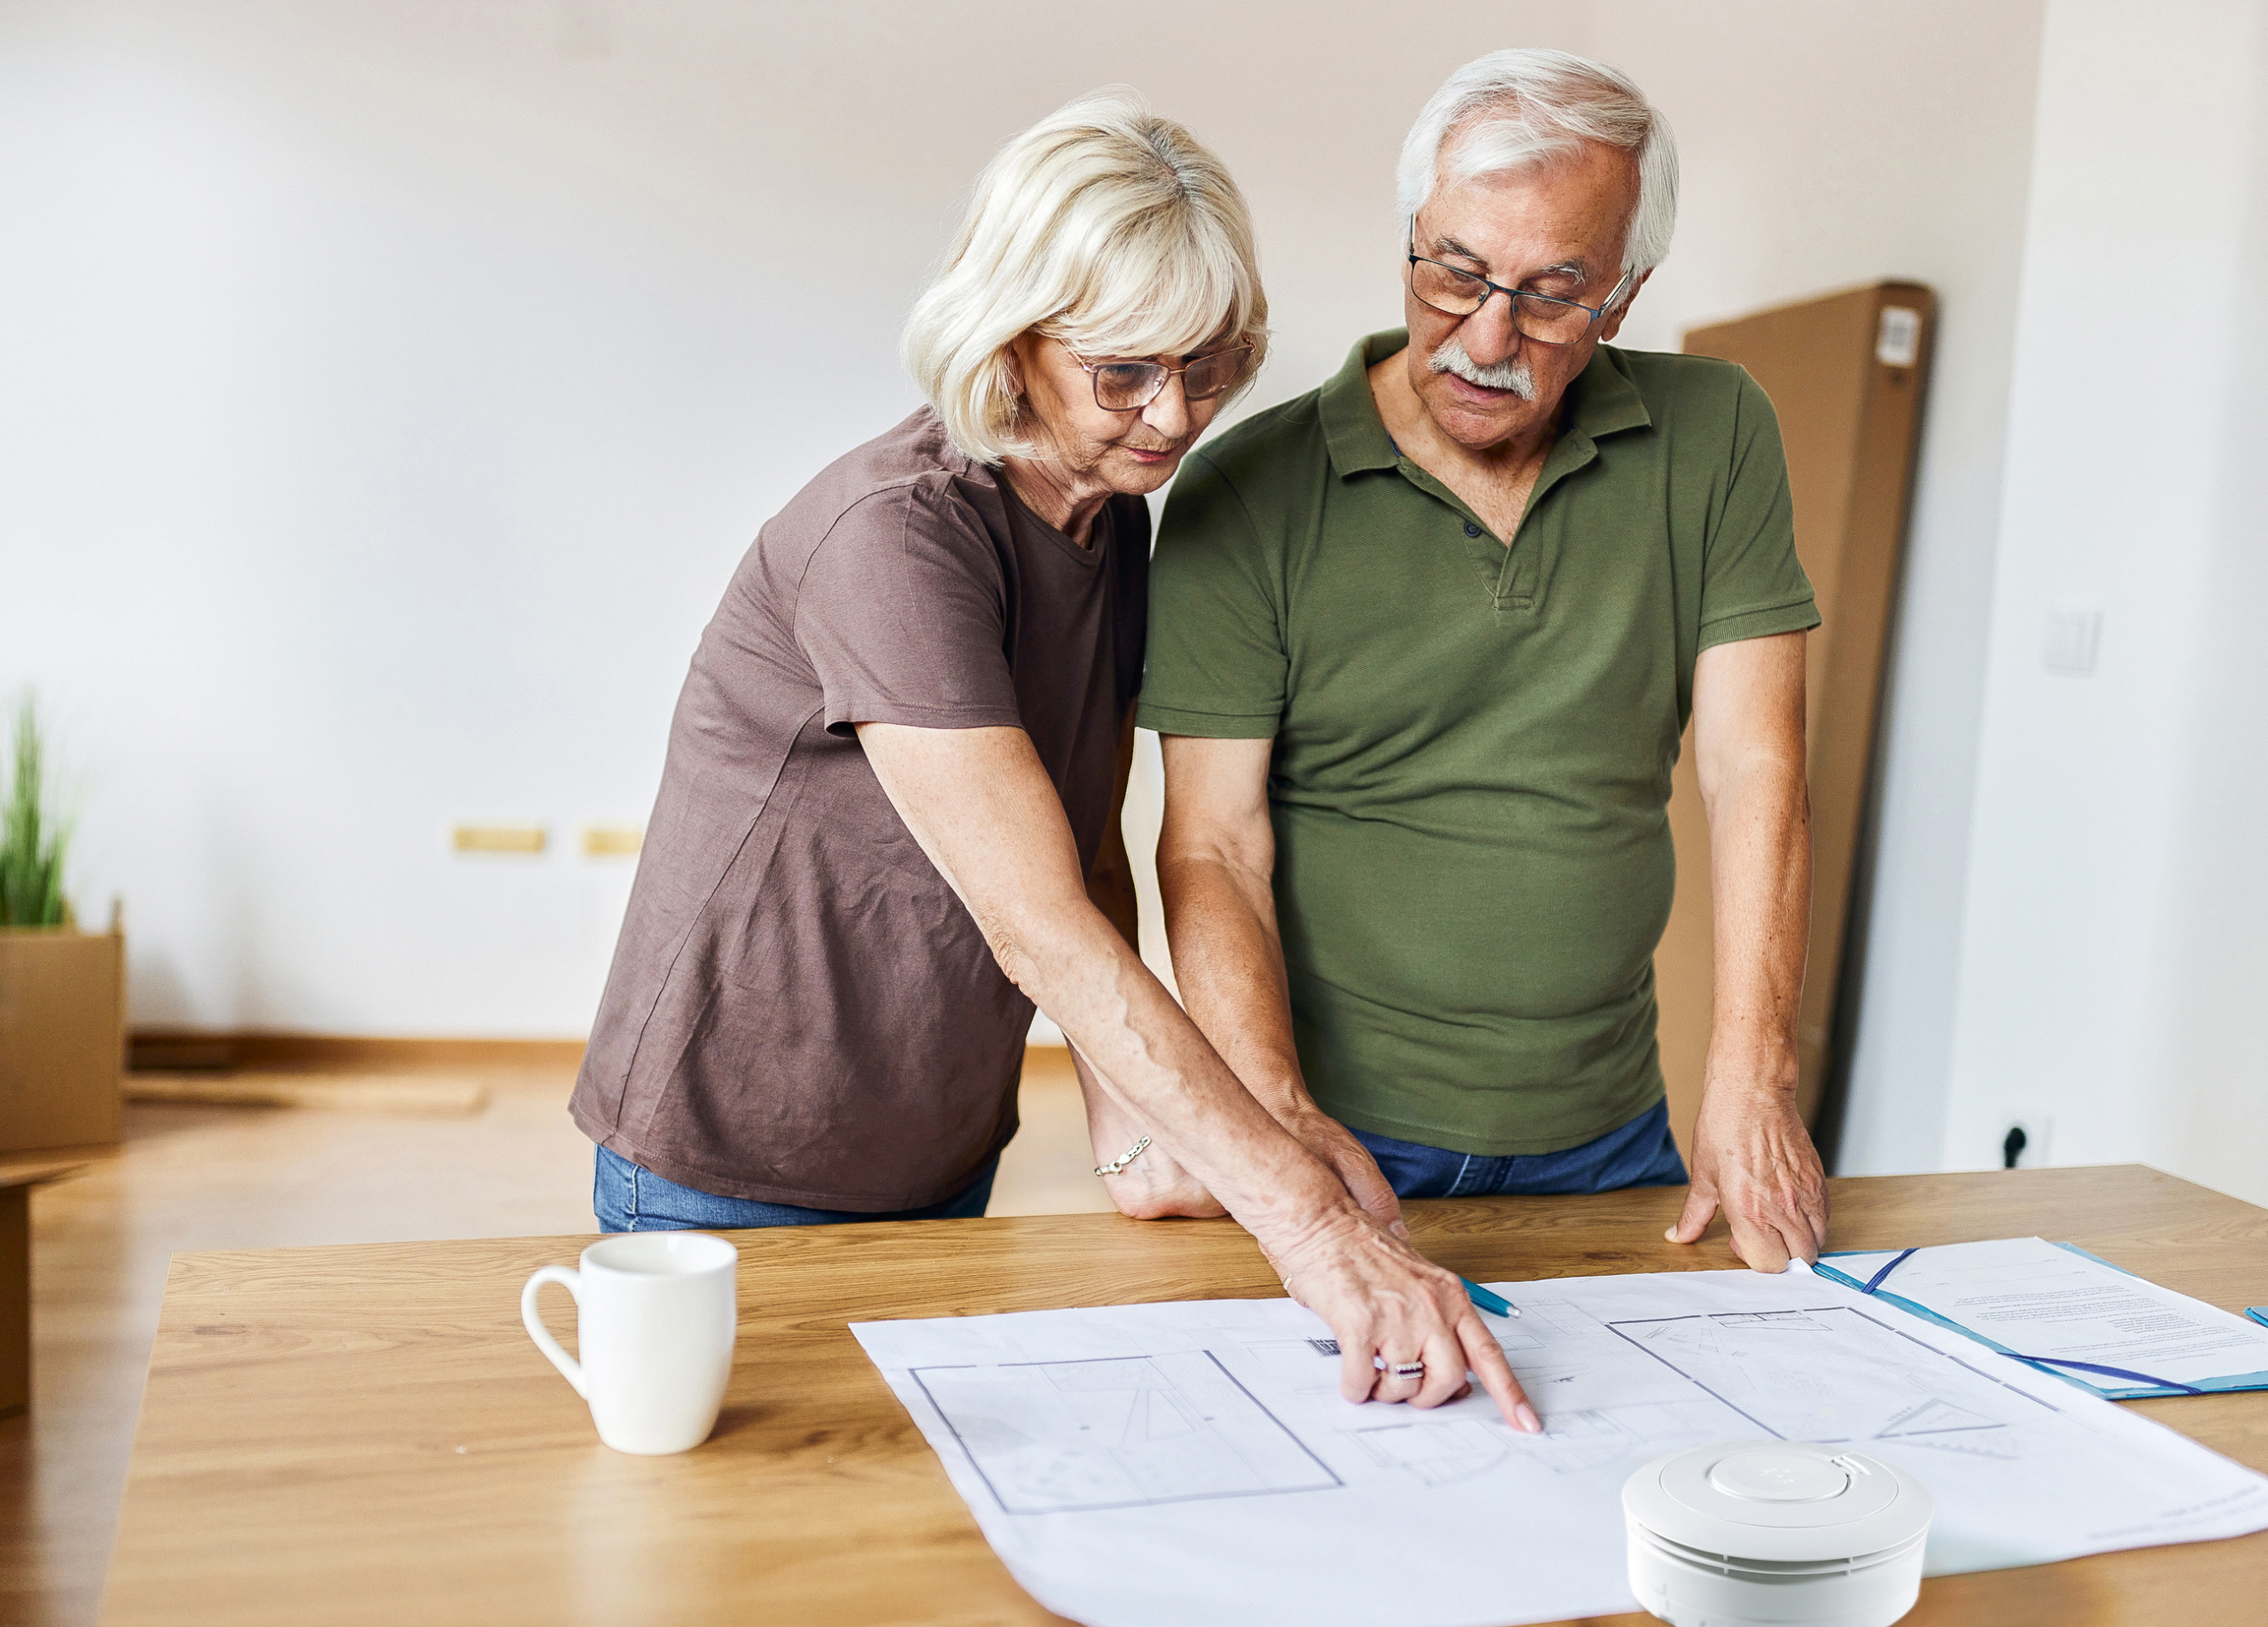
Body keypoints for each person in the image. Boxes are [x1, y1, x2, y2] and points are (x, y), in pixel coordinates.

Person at [570, 90, 1538, 1428]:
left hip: (936, 1124)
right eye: (1124, 371)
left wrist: (1129, 1132)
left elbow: (1084, 851)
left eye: (1207, 368)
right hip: (736, 1137)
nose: (1173, 416)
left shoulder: (1108, 525)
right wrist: (1308, 1225)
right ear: (1012, 340)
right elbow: (1041, 934)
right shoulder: (894, 537)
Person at [1138, 50, 1831, 1273]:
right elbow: (1210, 844)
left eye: (1555, 293)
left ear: (1625, 293)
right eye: (1454, 274)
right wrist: (1275, 1119)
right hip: (1343, 1136)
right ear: (1412, 234)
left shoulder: (1718, 433)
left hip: (1614, 1132)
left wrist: (1754, 1072)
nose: (1487, 337)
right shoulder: (1245, 491)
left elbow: (1754, 763)